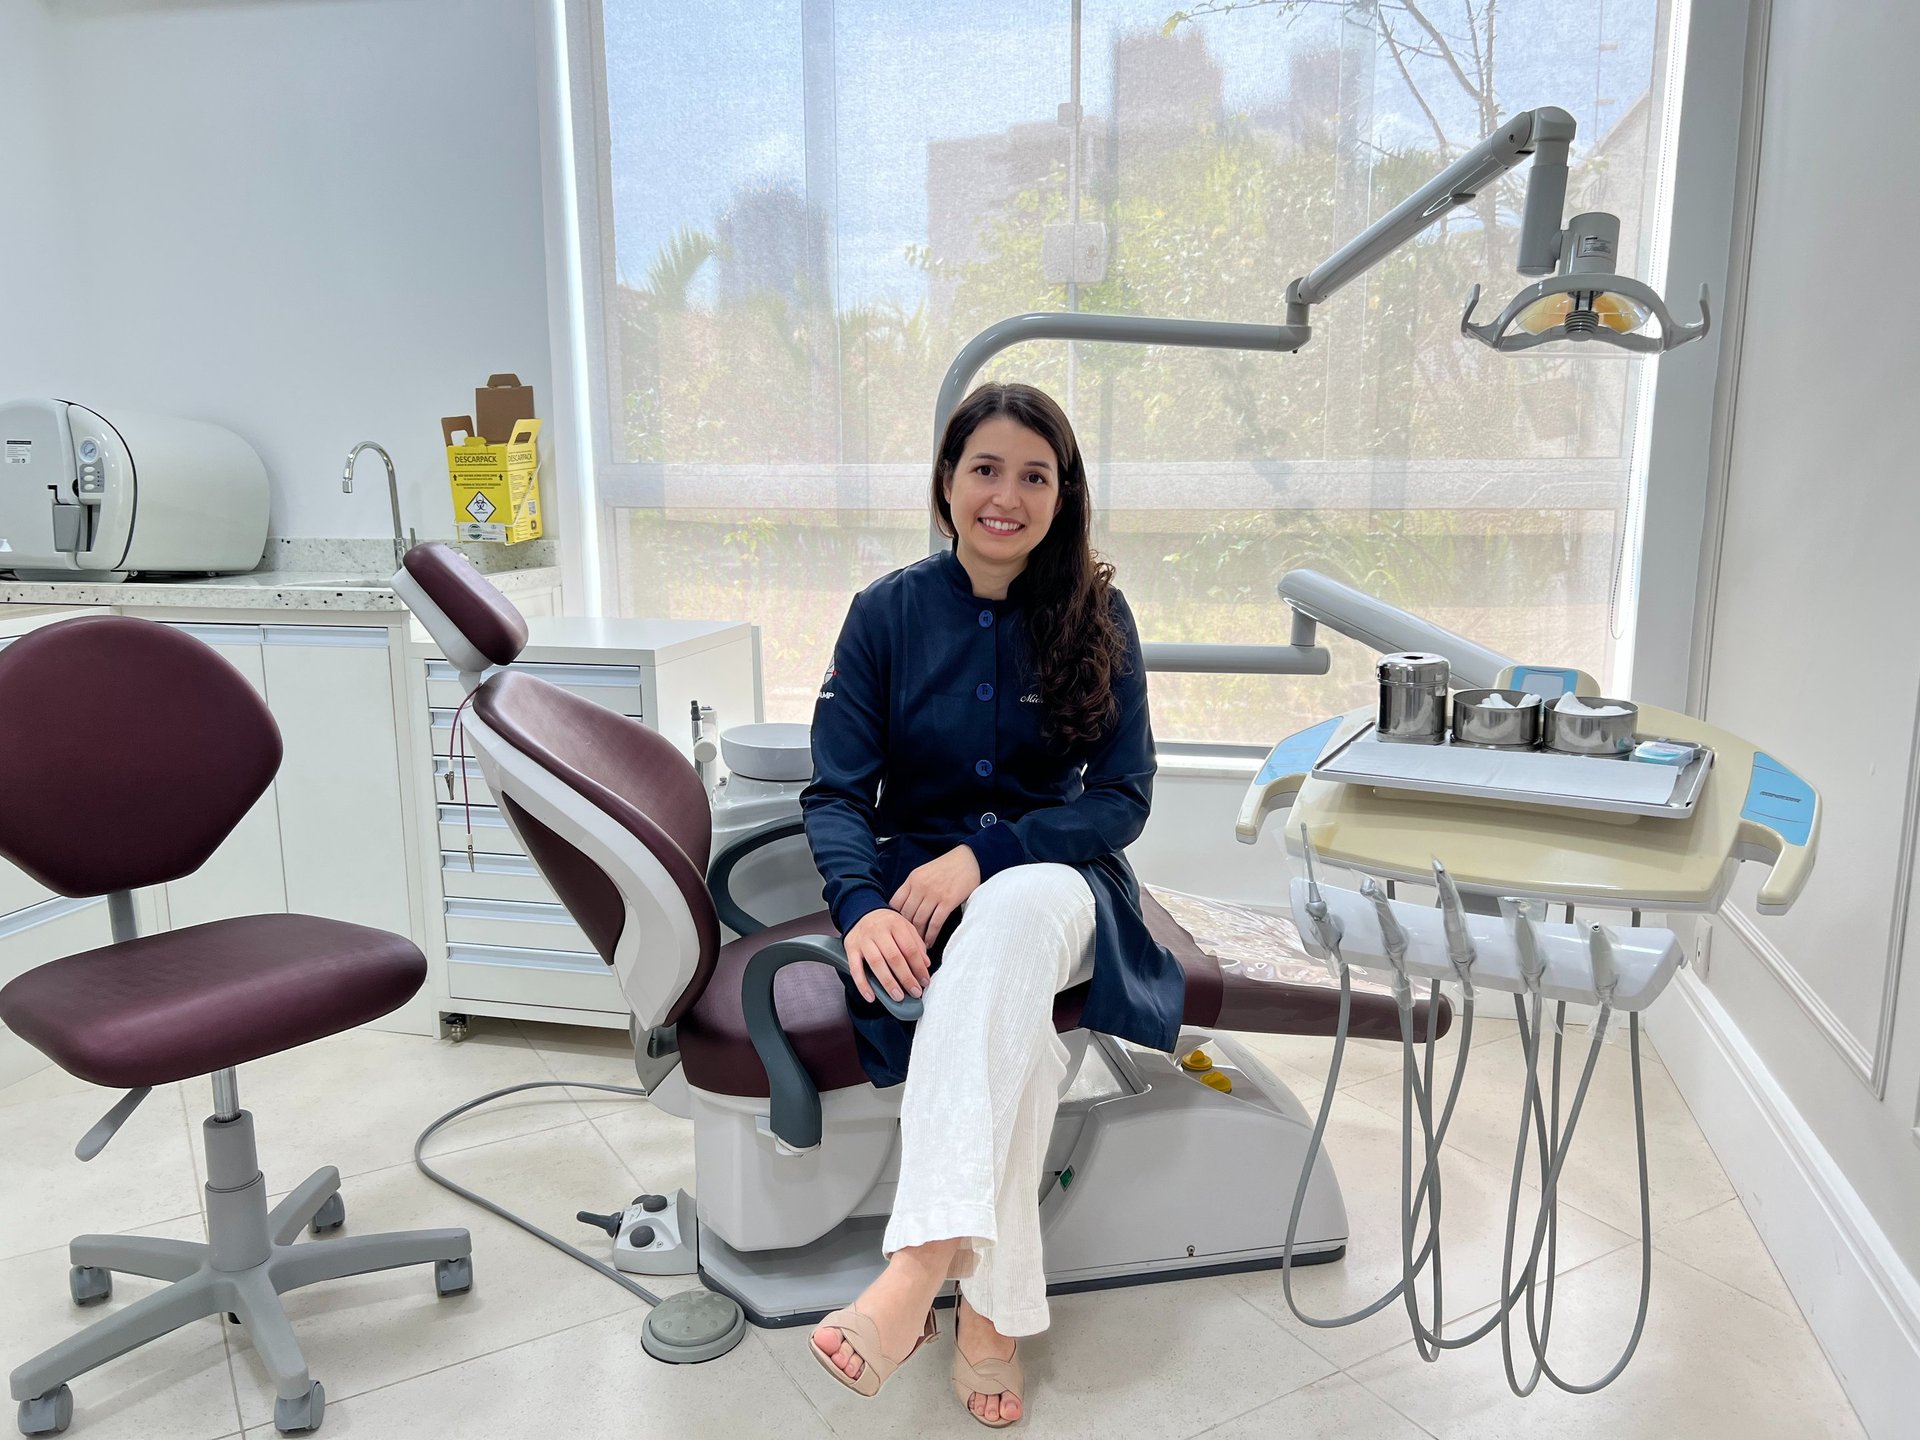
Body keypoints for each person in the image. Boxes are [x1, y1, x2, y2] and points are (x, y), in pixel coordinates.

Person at [800, 382, 1184, 1426]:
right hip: (917, 896)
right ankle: (988, 1316)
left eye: (1033, 475)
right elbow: (837, 794)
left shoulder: (1099, 617)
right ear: (945, 482)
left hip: (1058, 883)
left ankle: (915, 1265)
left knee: (1011, 916)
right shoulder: (885, 614)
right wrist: (863, 907)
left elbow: (1123, 797)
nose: (1006, 496)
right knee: (1014, 1039)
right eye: (985, 469)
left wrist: (989, 854)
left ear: (1064, 494)